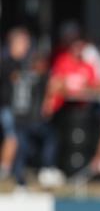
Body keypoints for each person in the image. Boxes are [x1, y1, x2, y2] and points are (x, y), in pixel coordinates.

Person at [10, 50, 61, 188]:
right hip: (33, 119)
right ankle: (47, 168)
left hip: (18, 118)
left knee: (23, 147)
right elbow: (55, 86)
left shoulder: (19, 76)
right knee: (51, 137)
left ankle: (19, 177)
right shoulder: (40, 77)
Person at [0, 27, 32, 181]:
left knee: (18, 140)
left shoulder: (23, 63)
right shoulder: (5, 62)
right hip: (6, 107)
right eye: (24, 43)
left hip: (19, 110)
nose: (26, 46)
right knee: (11, 137)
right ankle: (4, 169)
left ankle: (14, 171)